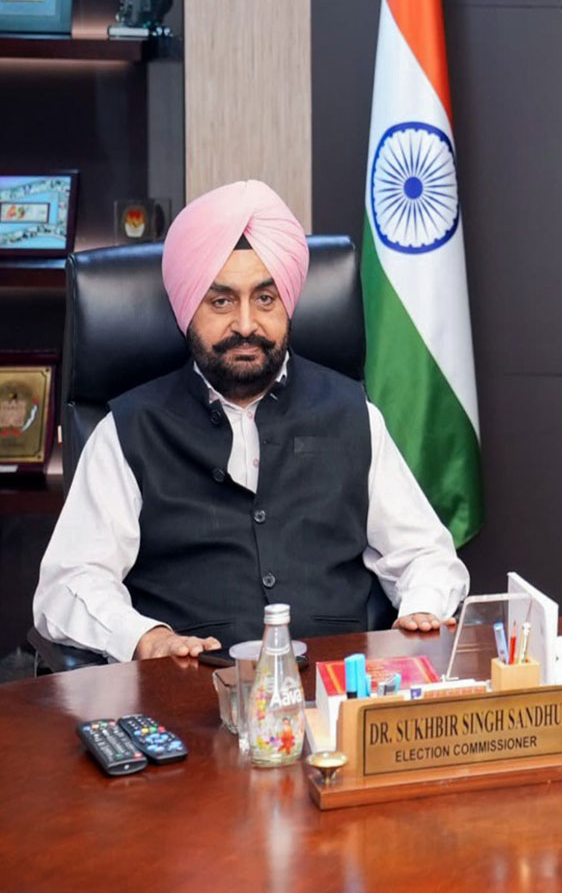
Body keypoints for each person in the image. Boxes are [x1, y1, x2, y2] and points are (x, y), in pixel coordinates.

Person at [33, 180, 469, 662]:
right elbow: (68, 584)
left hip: (334, 701)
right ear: (187, 310)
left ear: (288, 303)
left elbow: (425, 556)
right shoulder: (128, 431)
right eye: (221, 302)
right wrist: (147, 638)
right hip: (191, 707)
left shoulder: (353, 416)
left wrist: (421, 608)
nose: (245, 324)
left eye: (265, 299)